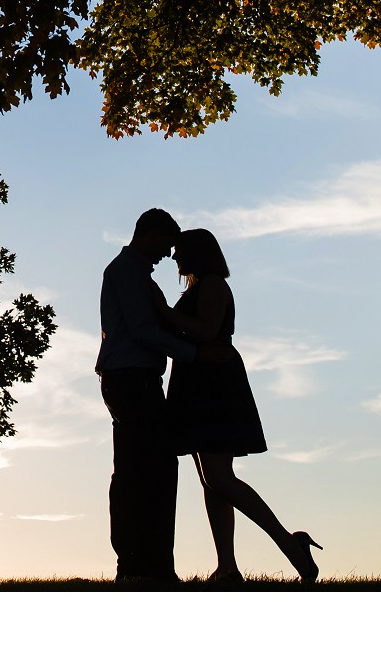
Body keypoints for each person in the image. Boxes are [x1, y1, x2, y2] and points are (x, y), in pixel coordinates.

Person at [158, 226, 322, 585]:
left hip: (214, 381)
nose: (173, 257)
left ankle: (289, 544)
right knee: (211, 480)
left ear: (197, 252)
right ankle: (228, 566)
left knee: (218, 476)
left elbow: (206, 330)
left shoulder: (214, 284)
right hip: (197, 380)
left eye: (180, 250)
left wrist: (162, 313)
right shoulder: (200, 285)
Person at [96, 207, 206, 587]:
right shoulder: (127, 273)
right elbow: (143, 331)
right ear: (149, 234)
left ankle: (144, 564)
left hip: (134, 380)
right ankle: (142, 563)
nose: (168, 254)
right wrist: (195, 355)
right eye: (165, 243)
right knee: (145, 472)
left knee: (143, 471)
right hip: (131, 381)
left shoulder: (134, 275)